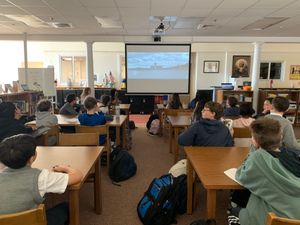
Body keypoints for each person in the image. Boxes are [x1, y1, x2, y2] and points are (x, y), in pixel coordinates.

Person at [0, 134, 83, 225]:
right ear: (32, 158)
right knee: (66, 207)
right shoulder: (40, 177)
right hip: (32, 222)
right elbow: (77, 176)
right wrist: (66, 168)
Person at [232, 118, 300, 225]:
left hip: (273, 220)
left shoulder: (259, 157)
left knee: (233, 209)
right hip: (295, 218)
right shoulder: (292, 155)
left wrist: (254, 151)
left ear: (254, 140)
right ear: (281, 137)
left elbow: (241, 176)